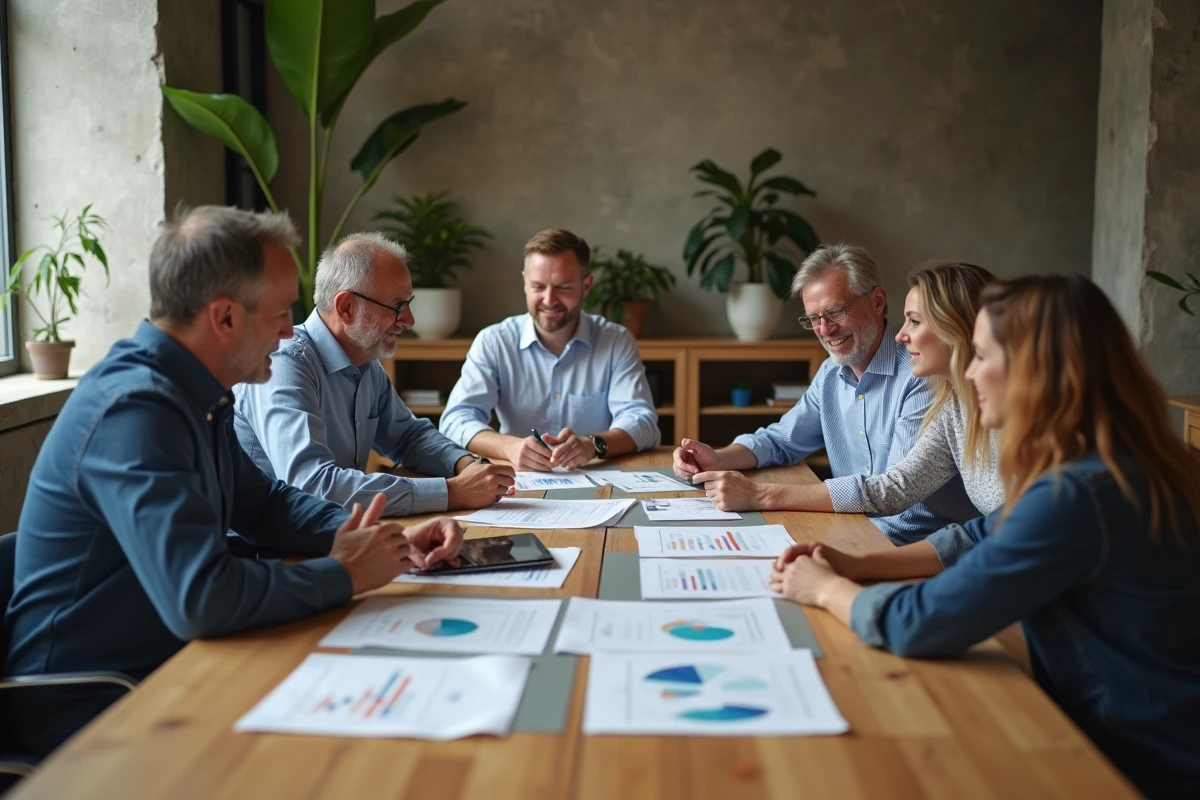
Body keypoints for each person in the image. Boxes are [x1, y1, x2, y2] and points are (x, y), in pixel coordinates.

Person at [4, 207, 464, 757]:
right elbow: (202, 598)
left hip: (174, 659)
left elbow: (264, 504)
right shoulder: (137, 410)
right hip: (94, 700)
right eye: (280, 312)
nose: (293, 329)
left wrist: (379, 537)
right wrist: (342, 573)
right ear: (224, 318)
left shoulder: (198, 391)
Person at [771, 275, 1200, 798]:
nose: (968, 371)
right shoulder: (1113, 464)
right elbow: (982, 533)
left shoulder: (1076, 493)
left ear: (1034, 371)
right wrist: (858, 565)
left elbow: (920, 622)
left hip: (1143, 764)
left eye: (980, 355)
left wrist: (823, 590)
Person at [674, 243, 977, 544]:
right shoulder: (830, 374)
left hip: (913, 545)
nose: (824, 330)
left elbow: (894, 493)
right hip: (850, 529)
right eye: (813, 319)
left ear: (878, 301)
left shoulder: (925, 374)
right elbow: (781, 439)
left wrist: (759, 495)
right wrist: (719, 458)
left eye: (835, 312)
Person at [234, 232, 515, 515]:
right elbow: (312, 484)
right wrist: (453, 492)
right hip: (269, 551)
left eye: (408, 303)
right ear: (346, 307)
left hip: (333, 533)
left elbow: (408, 438)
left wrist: (465, 465)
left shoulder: (364, 359)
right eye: (397, 307)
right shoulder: (283, 363)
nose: (409, 320)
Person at [439, 229, 659, 470]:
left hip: (598, 480)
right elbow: (455, 420)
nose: (549, 299)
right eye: (538, 286)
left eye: (563, 287)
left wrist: (592, 444)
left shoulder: (616, 341)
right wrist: (509, 447)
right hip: (516, 484)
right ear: (525, 282)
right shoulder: (494, 341)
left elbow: (643, 423)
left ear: (586, 286)